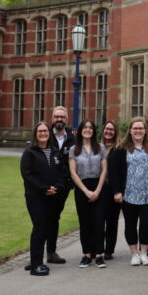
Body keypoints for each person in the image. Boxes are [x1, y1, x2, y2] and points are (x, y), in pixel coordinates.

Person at [109, 117, 148, 266]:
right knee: (130, 224)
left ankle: (144, 253)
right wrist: (117, 191)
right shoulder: (121, 149)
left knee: (147, 224)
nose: (138, 131)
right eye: (135, 128)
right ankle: (134, 253)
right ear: (130, 130)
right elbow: (114, 172)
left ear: (145, 131)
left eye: (141, 128)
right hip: (129, 194)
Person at [20, 121, 66, 276]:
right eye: (40, 131)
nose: (43, 134)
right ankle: (36, 266)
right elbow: (27, 175)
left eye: (45, 131)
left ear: (49, 133)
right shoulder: (29, 152)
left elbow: (62, 173)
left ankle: (35, 260)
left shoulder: (54, 151)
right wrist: (44, 188)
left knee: (46, 228)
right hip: (36, 197)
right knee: (39, 228)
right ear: (35, 134)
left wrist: (57, 187)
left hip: (52, 196)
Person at [69, 119, 108, 268]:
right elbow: (73, 173)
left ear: (94, 131)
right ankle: (86, 255)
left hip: (98, 186)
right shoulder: (74, 149)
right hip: (81, 188)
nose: (88, 130)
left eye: (90, 127)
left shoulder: (101, 147)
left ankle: (99, 255)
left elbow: (104, 169)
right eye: (85, 127)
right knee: (84, 222)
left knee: (98, 222)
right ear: (80, 130)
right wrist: (86, 191)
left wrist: (97, 190)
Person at [46, 106, 75, 264]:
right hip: (45, 187)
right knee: (42, 220)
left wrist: (68, 184)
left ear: (67, 120)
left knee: (54, 218)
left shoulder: (72, 139)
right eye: (56, 117)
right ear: (52, 118)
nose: (59, 120)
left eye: (62, 117)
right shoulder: (44, 135)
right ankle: (36, 255)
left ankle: (51, 252)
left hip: (62, 187)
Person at [101, 120, 121, 260]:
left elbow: (122, 171)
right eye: (107, 129)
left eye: (112, 130)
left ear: (115, 132)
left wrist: (119, 191)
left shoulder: (119, 149)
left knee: (112, 221)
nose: (109, 131)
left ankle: (109, 250)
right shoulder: (96, 147)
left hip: (114, 189)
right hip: (99, 188)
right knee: (99, 220)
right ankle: (98, 247)